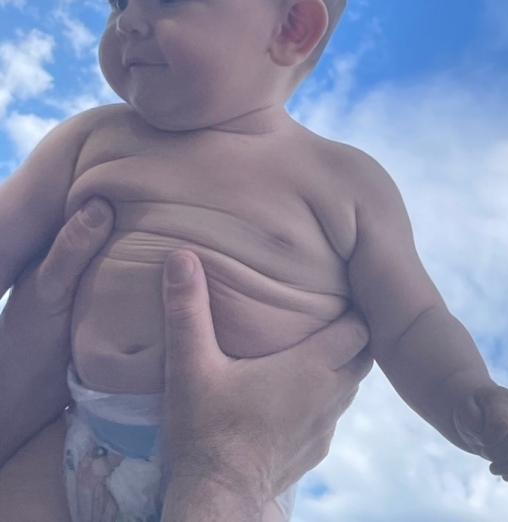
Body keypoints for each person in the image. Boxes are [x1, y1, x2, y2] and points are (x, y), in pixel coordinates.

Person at [0, 0, 508, 521]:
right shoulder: (92, 138)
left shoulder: (344, 182)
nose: (129, 21)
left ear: (291, 28)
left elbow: (412, 321)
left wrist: (467, 394)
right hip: (74, 439)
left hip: (246, 476)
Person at [0, 198, 372, 521]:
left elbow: (406, 324)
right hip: (91, 433)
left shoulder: (341, 182)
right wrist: (227, 480)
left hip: (251, 457)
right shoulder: (92, 146)